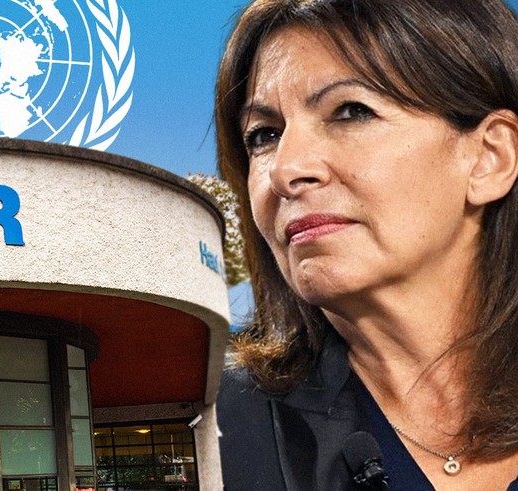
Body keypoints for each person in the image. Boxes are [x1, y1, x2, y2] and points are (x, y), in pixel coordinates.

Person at [214, 0, 518, 489]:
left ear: (490, 158)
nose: (286, 170)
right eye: (264, 135)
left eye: (351, 112)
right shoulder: (222, 433)